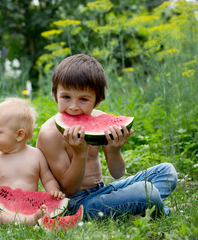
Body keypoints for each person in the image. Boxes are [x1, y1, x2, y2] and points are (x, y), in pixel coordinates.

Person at [36, 54, 178, 219]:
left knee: (167, 171)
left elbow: (117, 173)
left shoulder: (100, 118)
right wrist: (79, 153)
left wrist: (114, 151)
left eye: (83, 99)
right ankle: (159, 209)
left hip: (103, 190)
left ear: (97, 101)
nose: (73, 107)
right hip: (76, 204)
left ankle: (135, 206)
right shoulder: (50, 133)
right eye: (66, 97)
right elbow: (69, 189)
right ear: (55, 95)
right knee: (145, 193)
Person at [0, 97, 65, 225]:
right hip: (3, 210)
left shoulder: (36, 155)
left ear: (19, 135)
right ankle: (29, 221)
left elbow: (48, 179)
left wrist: (53, 191)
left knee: (50, 209)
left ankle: (31, 218)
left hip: (32, 207)